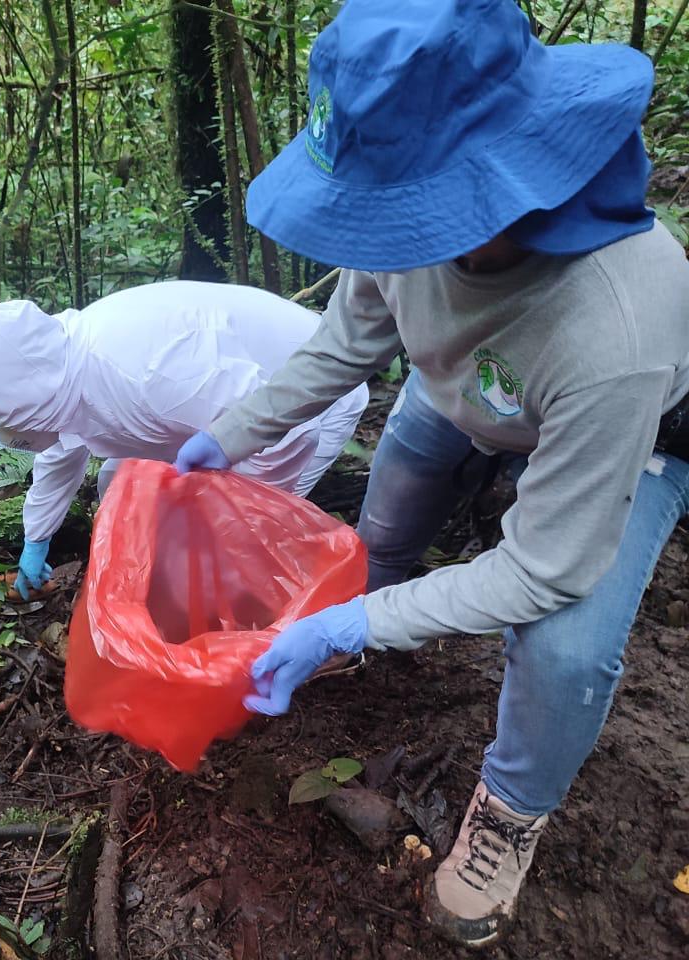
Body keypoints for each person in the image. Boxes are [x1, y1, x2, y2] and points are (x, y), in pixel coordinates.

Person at [173, 0, 689, 947]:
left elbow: (544, 567)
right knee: (386, 516)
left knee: (565, 646)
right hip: (464, 388)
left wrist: (353, 617)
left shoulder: (616, 322)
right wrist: (231, 434)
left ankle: (512, 811)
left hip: (630, 429)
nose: (378, 230)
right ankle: (358, 625)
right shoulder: (402, 218)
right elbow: (350, 340)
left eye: (397, 211)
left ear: (500, 185)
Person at [0, 280, 369, 597]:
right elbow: (60, 451)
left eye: (0, 418)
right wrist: (36, 539)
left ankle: (265, 616)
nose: (4, 432)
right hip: (215, 412)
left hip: (316, 397)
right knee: (118, 485)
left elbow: (288, 430)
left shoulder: (145, 377)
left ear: (26, 399)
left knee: (244, 549)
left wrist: (239, 519)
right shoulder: (67, 376)